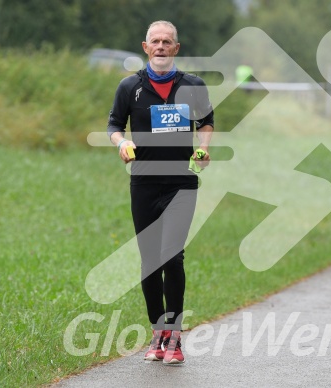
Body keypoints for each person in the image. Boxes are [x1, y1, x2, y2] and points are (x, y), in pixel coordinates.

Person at [107, 20, 214, 364]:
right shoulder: (129, 87)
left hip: (181, 182)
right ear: (145, 47)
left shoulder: (193, 85)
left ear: (176, 49)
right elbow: (113, 124)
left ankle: (176, 337)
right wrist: (122, 142)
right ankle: (158, 332)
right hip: (144, 182)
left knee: (173, 256)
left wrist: (204, 147)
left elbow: (206, 120)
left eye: (168, 41)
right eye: (156, 41)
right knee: (150, 261)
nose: (162, 46)